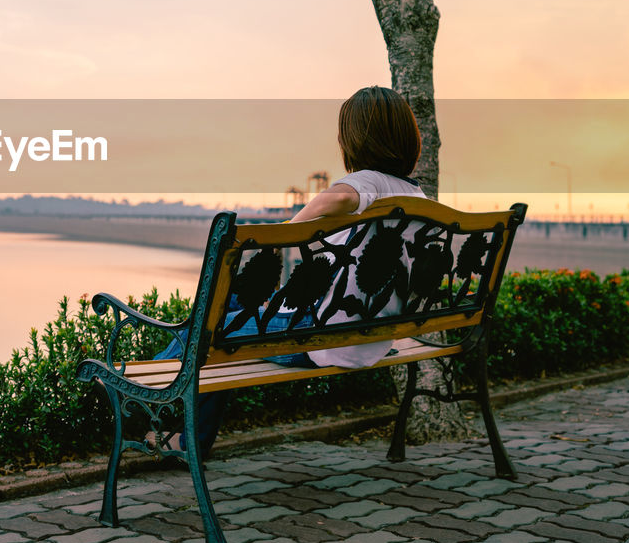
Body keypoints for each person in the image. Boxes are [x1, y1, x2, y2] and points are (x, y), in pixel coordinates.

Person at [155, 86, 427, 456]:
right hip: (369, 338)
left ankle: (141, 394)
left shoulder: (369, 183)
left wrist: (289, 230)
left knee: (199, 331)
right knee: (228, 303)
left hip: (323, 338)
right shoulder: (417, 198)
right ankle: (188, 438)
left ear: (356, 141)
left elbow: (342, 195)